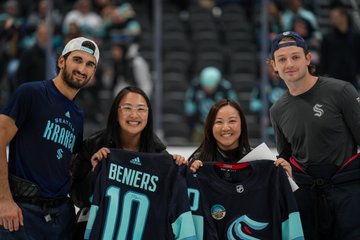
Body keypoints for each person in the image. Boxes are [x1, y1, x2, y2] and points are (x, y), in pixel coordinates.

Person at [0, 36, 100, 239]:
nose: (82, 68)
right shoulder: (30, 93)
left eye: (90, 64)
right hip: (22, 213)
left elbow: (66, 163)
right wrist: (4, 201)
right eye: (77, 60)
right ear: (61, 61)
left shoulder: (78, 115)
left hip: (61, 217)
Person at [269, 31, 360, 240]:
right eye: (281, 59)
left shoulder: (341, 91)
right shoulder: (277, 110)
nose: (289, 64)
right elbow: (286, 158)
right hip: (308, 201)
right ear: (274, 65)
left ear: (308, 59)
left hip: (348, 197)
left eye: (295, 57)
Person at [70, 86, 187, 239]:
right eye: (127, 108)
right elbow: (78, 198)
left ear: (148, 114)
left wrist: (177, 166)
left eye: (141, 109)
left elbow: (169, 205)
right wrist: (94, 172)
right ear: (116, 112)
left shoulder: (159, 155)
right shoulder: (94, 145)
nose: (134, 115)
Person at [187, 98, 303, 239]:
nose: (225, 127)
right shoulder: (197, 164)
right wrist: (189, 175)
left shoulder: (261, 160)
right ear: (210, 126)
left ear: (242, 124)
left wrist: (288, 180)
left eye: (232, 121)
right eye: (218, 122)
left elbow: (289, 210)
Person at [185, 66, 238, 144]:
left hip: (222, 127)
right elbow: (189, 106)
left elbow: (234, 106)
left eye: (211, 86)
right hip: (199, 126)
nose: (209, 89)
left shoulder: (226, 88)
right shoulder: (195, 86)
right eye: (206, 86)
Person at [319, 3, 360, 90]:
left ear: (343, 16)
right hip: (334, 79)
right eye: (331, 17)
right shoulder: (327, 37)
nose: (332, 20)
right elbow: (324, 58)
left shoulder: (355, 36)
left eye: (334, 17)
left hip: (352, 79)